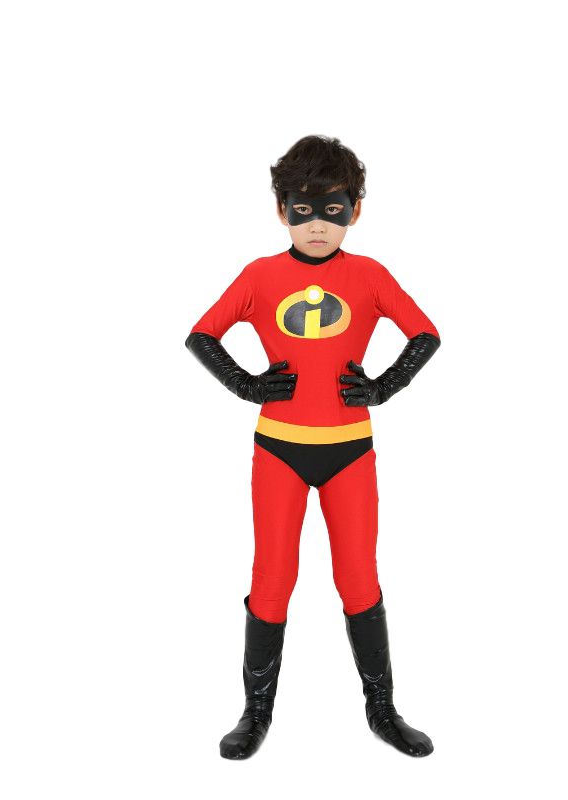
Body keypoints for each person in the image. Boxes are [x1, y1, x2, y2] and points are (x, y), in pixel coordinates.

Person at [184, 135, 441, 759]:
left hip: (351, 450)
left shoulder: (370, 275)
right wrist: (246, 384)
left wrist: (383, 387)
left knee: (359, 577)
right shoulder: (260, 275)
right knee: (272, 577)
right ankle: (255, 714)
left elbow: (425, 334)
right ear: (281, 210)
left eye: (333, 209)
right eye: (303, 210)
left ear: (356, 210)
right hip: (279, 450)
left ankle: (382, 710)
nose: (318, 225)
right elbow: (201, 335)